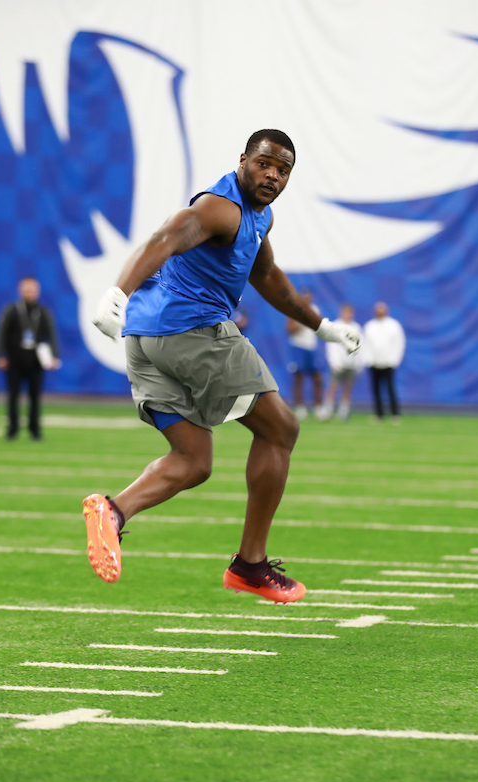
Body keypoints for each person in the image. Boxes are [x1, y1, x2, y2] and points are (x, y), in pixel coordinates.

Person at [86, 128, 360, 603]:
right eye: (264, 163)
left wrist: (323, 327)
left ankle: (113, 511)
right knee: (280, 429)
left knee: (194, 461)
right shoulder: (222, 207)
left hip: (145, 341)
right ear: (243, 161)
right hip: (190, 331)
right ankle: (250, 565)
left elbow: (269, 278)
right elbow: (168, 236)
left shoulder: (259, 218)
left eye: (283, 169)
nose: (272, 175)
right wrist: (117, 291)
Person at [0, 276, 61, 440]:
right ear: (20, 290)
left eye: (32, 290)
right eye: (26, 289)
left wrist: (54, 356)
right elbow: (1, 333)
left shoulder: (43, 312)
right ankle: (13, 429)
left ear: (37, 291)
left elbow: (52, 335)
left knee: (35, 397)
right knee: (13, 396)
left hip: (36, 361)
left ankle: (34, 429)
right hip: (15, 359)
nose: (29, 293)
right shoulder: (12, 310)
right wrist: (0, 355)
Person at [285, 289, 326, 420]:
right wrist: (303, 323)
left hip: (312, 347)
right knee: (299, 378)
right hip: (298, 347)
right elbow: (289, 330)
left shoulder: (316, 310)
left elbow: (320, 329)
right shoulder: (294, 309)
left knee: (317, 378)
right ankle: (300, 407)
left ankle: (318, 407)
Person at [363, 302, 405, 423]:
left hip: (388, 362)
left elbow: (399, 343)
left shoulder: (394, 325)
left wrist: (395, 359)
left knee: (390, 388)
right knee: (376, 390)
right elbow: (365, 344)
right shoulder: (370, 326)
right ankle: (379, 414)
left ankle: (395, 413)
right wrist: (368, 359)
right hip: (374, 362)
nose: (379, 313)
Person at [324, 303, 365, 422]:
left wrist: (359, 362)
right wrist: (334, 362)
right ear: (341, 312)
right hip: (338, 364)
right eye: (345, 312)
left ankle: (344, 411)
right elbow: (331, 345)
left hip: (351, 364)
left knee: (348, 387)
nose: (347, 315)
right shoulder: (335, 325)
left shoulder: (356, 327)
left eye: (349, 312)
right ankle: (328, 410)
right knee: (333, 386)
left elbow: (360, 345)